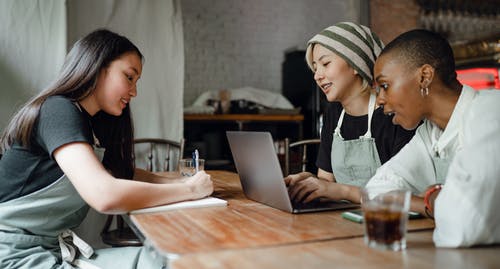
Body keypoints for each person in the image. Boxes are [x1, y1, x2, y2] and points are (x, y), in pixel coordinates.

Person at [0, 29, 213, 268]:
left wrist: (178, 183)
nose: (134, 92)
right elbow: (104, 195)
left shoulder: (88, 121)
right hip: (14, 258)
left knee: (170, 259)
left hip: (49, 251)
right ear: (98, 66)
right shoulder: (57, 110)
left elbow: (121, 173)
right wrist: (190, 191)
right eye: (129, 77)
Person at [368, 29, 500, 247]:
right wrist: (433, 200)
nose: (380, 100)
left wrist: (428, 198)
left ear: (424, 77)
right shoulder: (430, 133)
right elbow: (376, 191)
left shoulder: (490, 112)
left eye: (384, 86)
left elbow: (464, 226)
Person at [285, 22, 415, 204]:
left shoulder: (394, 116)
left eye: (325, 63)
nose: (317, 75)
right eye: (315, 67)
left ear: (356, 64)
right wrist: (309, 181)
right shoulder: (334, 113)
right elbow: (327, 181)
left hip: (385, 222)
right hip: (339, 219)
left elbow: (403, 195)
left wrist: (341, 190)